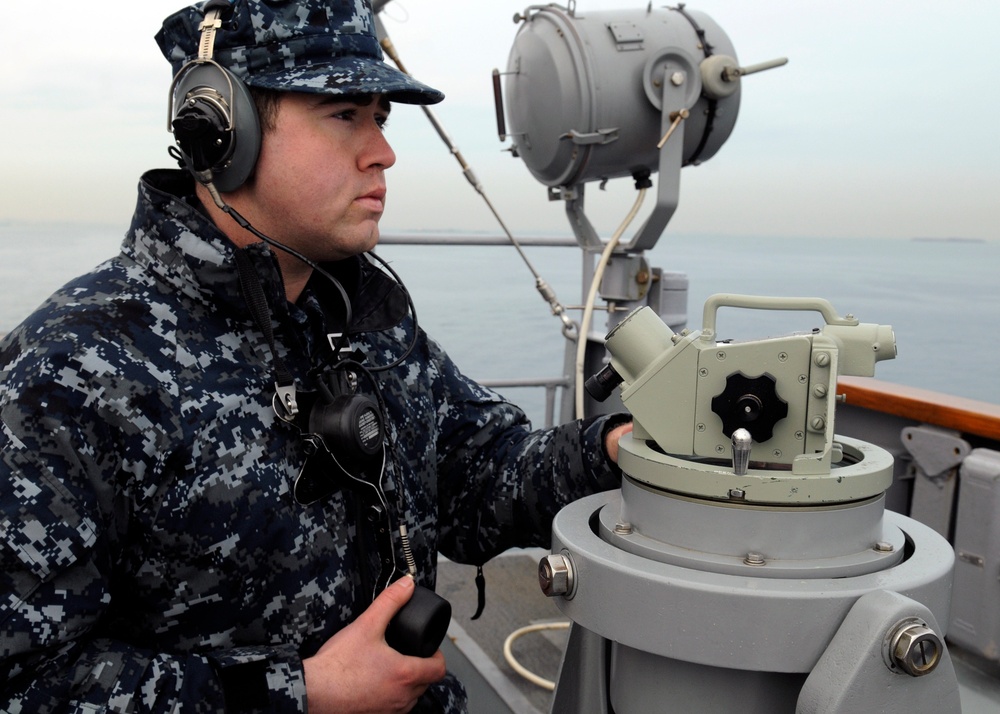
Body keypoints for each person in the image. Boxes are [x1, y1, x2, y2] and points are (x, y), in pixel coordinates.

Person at [0, 1, 631, 712]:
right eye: (344, 115)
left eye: (381, 119)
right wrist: (302, 695)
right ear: (220, 131)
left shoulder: (365, 320)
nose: (382, 152)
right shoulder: (74, 370)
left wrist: (616, 447)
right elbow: (24, 680)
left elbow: (476, 474)